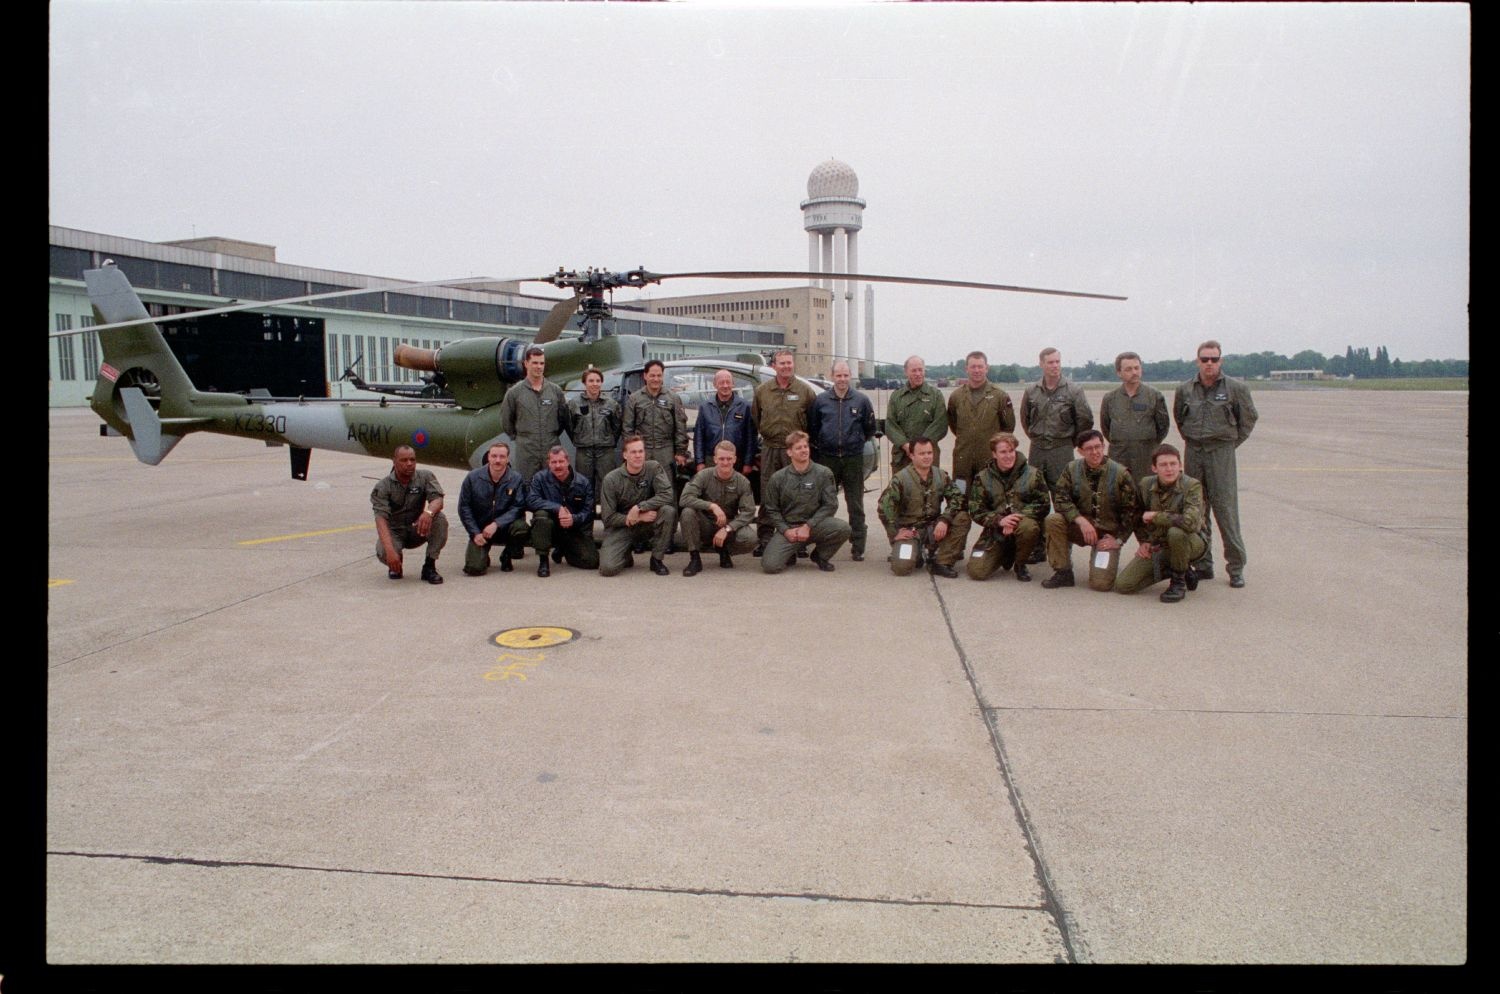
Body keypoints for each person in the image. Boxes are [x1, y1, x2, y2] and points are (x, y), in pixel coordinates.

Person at [1173, 339, 1258, 588]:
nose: (1209, 364)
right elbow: (1180, 418)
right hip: (1194, 450)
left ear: (1220, 361)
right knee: (1197, 509)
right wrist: (1193, 439)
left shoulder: (1236, 388)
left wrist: (1230, 444)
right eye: (1204, 359)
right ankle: (1203, 564)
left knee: (1226, 511)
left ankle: (1235, 567)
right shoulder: (1185, 389)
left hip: (1221, 452)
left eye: (1214, 359)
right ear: (1197, 361)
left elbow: (1249, 419)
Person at [1041, 429, 1139, 589]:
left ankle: (1103, 562)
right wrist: (1080, 521)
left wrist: (1119, 540)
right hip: (1081, 528)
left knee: (1101, 584)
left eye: (1098, 446)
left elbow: (1131, 511)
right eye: (1089, 448)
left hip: (1107, 534)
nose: (1095, 452)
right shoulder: (1071, 469)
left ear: (1104, 446)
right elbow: (1060, 500)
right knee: (1053, 520)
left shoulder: (1121, 474)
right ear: (1080, 451)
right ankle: (1063, 571)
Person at [1114, 444, 1209, 602]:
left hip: (1192, 542)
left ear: (1180, 465)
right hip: (1161, 544)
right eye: (1163, 465)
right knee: (1124, 585)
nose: (1169, 469)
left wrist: (1156, 516)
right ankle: (1179, 569)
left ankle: (1178, 582)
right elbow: (1137, 516)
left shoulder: (1192, 486)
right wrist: (1144, 541)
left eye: (1173, 464)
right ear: (1154, 468)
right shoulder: (1146, 485)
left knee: (1176, 532)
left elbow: (1190, 523)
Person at [808, 359, 877, 560]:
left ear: (850, 376)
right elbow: (813, 428)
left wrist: (853, 443)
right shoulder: (820, 401)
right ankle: (824, 542)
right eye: (839, 375)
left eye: (846, 375)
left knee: (855, 502)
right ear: (832, 377)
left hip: (852, 458)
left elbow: (869, 429)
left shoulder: (861, 401)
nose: (842, 379)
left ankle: (858, 545)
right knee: (825, 503)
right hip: (827, 459)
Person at [751, 348, 817, 552]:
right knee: (768, 493)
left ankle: (799, 542)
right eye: (782, 363)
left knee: (797, 495)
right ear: (774, 366)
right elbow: (756, 419)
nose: (786, 366)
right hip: (770, 449)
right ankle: (765, 537)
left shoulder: (805, 391)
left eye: (789, 362)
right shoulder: (763, 391)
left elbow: (813, 423)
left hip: (795, 452)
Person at [965, 432, 1050, 582]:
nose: (1008, 456)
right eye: (1003, 452)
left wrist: (1015, 518)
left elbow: (1043, 504)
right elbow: (976, 510)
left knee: (1029, 527)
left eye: (1011, 451)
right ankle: (1005, 554)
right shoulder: (983, 478)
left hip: (1022, 525)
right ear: (994, 454)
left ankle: (1020, 563)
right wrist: (999, 520)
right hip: (996, 531)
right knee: (977, 572)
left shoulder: (1033, 474)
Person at [761, 430, 850, 573]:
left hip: (815, 526)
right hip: (789, 528)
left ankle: (820, 556)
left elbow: (830, 505)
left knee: (843, 528)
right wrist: (785, 530)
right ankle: (790, 552)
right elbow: (771, 509)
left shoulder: (823, 473)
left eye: (805, 447)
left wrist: (808, 526)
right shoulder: (778, 478)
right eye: (798, 448)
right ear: (789, 452)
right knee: (770, 566)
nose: (804, 450)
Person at [876, 436, 966, 577]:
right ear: (912, 455)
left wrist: (945, 519)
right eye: (922, 453)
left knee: (962, 517)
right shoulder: (901, 479)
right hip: (911, 531)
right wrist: (895, 533)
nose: (927, 457)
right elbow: (884, 507)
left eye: (929, 453)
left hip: (935, 528)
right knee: (902, 568)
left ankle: (942, 561)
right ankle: (915, 554)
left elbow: (957, 498)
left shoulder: (940, 475)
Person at [599, 435, 678, 576]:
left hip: (647, 523)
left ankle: (656, 559)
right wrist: (638, 517)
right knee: (607, 569)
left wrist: (639, 507)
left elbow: (667, 494)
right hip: (622, 527)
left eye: (640, 451)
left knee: (668, 511)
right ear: (624, 455)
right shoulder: (611, 479)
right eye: (633, 452)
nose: (638, 456)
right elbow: (608, 518)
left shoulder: (653, 468)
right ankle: (624, 555)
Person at [370, 444, 448, 584]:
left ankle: (429, 566)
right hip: (395, 532)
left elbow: (438, 499)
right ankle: (396, 564)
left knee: (440, 519)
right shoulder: (383, 486)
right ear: (394, 461)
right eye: (404, 460)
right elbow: (380, 519)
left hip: (417, 528)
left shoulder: (425, 477)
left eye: (412, 459)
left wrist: (428, 513)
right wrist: (390, 551)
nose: (409, 464)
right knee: (383, 552)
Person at [678, 440, 758, 575]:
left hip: (727, 525)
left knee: (750, 538)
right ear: (715, 459)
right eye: (721, 458)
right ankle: (695, 558)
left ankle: (724, 551)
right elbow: (684, 499)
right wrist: (711, 506)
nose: (725, 462)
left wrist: (728, 528)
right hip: (705, 524)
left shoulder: (742, 482)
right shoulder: (704, 475)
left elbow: (748, 512)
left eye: (729, 459)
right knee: (687, 512)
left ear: (735, 459)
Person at [1021, 347, 1094, 489]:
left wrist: (1070, 442)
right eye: (1050, 362)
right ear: (1041, 364)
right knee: (1033, 490)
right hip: (1037, 449)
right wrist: (1036, 437)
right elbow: (1025, 419)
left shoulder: (1074, 390)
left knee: (1064, 491)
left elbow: (1085, 421)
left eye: (1057, 361)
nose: (1055, 366)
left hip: (1062, 449)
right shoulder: (1031, 391)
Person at [458, 441, 531, 576]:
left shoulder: (516, 478)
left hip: (505, 527)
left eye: (502, 457)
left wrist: (497, 524)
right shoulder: (472, 478)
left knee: (522, 528)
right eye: (494, 456)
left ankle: (507, 554)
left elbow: (518, 507)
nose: (498, 460)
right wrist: (475, 533)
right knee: (474, 569)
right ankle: (483, 555)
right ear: (488, 457)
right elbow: (464, 508)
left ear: (508, 459)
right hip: (481, 530)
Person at [1099, 351, 1170, 486]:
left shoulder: (1154, 395)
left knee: (1146, 492)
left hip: (1146, 455)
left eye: (1137, 368)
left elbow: (1163, 427)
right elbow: (1106, 427)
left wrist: (1145, 442)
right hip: (1119, 455)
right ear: (1119, 373)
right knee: (1119, 493)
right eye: (1128, 369)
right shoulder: (1110, 398)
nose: (1134, 372)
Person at [497, 345, 568, 481]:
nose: (539, 367)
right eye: (535, 363)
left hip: (550, 446)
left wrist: (550, 434)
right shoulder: (514, 393)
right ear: (526, 364)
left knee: (551, 484)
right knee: (526, 486)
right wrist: (522, 438)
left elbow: (563, 419)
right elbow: (506, 421)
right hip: (526, 449)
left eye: (542, 363)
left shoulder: (555, 391)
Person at [526, 445, 599, 576]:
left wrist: (573, 519)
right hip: (551, 527)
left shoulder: (583, 482)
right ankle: (543, 560)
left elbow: (588, 511)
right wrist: (557, 508)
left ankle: (564, 549)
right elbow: (531, 500)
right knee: (541, 515)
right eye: (553, 462)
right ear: (549, 463)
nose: (557, 465)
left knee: (592, 562)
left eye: (561, 461)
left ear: (568, 461)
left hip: (573, 528)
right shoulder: (539, 479)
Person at [946, 350, 1016, 486]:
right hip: (963, 458)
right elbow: (953, 424)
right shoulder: (956, 396)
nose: (977, 370)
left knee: (990, 497)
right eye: (973, 367)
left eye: (980, 366)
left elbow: (1008, 428)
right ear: (966, 369)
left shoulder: (999, 396)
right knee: (960, 494)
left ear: (986, 368)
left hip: (989, 458)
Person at [568, 366, 621, 517]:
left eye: (598, 380)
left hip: (606, 451)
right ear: (584, 383)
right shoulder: (574, 404)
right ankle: (585, 526)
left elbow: (617, 426)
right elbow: (570, 425)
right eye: (591, 380)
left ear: (602, 383)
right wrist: (581, 439)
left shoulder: (611, 404)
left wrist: (608, 440)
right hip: (584, 451)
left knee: (608, 486)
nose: (594, 384)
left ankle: (609, 523)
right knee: (583, 487)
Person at [622, 358, 689, 477]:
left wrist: (680, 452)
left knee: (666, 487)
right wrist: (631, 452)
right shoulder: (635, 399)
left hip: (666, 451)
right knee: (641, 486)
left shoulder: (673, 398)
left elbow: (680, 428)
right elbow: (627, 428)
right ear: (645, 376)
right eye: (652, 375)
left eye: (659, 375)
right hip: (643, 451)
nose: (656, 379)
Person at [884, 354, 948, 474]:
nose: (918, 374)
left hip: (927, 458)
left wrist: (920, 448)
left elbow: (940, 425)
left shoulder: (935, 396)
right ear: (906, 372)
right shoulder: (896, 396)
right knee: (902, 490)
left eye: (920, 370)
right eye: (914, 370)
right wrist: (905, 445)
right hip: (902, 457)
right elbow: (890, 425)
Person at [693, 368, 757, 476]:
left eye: (728, 382)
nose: (725, 385)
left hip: (736, 460)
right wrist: (700, 462)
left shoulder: (744, 406)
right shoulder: (705, 407)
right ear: (715, 385)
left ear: (733, 384)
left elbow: (751, 437)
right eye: (721, 382)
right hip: (711, 460)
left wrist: (748, 462)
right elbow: (698, 436)